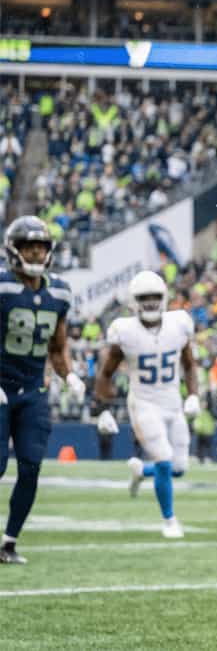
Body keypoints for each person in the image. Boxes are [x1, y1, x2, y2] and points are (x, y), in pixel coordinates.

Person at [0, 216, 86, 564]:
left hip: (33, 390)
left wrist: (70, 376)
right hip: (0, 387)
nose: (36, 253)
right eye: (29, 247)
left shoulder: (59, 293)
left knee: (31, 466)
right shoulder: (3, 286)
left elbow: (58, 346)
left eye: (41, 247)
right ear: (13, 250)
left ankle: (8, 543)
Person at [95, 270, 200, 539]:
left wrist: (193, 395)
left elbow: (189, 364)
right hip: (143, 404)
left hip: (173, 403)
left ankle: (142, 471)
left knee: (179, 468)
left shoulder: (179, 324)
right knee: (164, 459)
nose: (151, 302)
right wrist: (102, 409)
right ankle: (170, 520)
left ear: (163, 297)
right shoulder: (125, 331)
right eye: (144, 297)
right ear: (134, 301)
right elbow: (106, 373)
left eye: (155, 296)